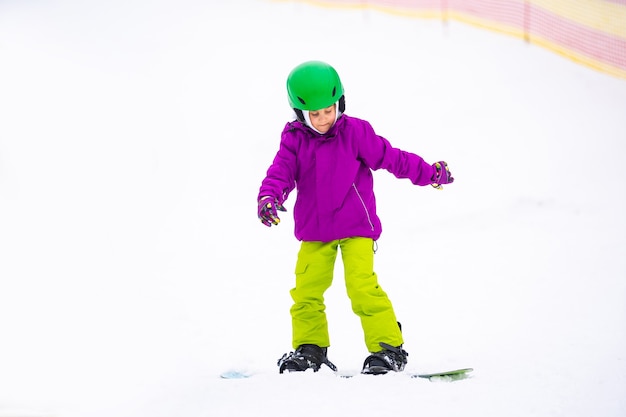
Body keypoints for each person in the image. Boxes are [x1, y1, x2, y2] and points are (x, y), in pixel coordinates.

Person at [257, 61, 454, 375]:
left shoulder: (356, 132)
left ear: (340, 103)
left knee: (361, 286)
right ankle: (310, 350)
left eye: (328, 110)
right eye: (314, 114)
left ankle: (388, 348)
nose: (323, 119)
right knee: (306, 291)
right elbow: (280, 172)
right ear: (299, 114)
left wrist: (429, 173)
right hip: (315, 230)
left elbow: (393, 158)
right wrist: (269, 196)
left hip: (355, 227)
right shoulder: (294, 139)